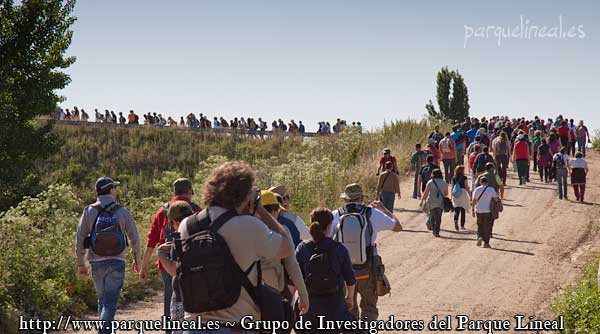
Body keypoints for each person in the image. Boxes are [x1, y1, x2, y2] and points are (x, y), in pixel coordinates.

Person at [178, 161, 294, 334]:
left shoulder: (187, 225)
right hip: (235, 326)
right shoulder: (249, 225)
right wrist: (260, 209)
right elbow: (287, 247)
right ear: (245, 194)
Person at [76, 177, 141, 334]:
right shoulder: (122, 211)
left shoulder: (89, 211)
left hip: (96, 263)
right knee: (110, 303)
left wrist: (80, 263)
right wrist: (136, 259)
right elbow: (134, 237)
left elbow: (80, 237)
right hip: (116, 262)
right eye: (114, 188)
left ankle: (105, 331)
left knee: (103, 301)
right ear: (111, 190)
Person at [330, 183, 402, 321]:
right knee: (369, 307)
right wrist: (384, 209)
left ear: (345, 199)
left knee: (348, 305)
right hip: (367, 269)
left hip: (344, 271)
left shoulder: (335, 215)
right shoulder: (372, 213)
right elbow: (398, 227)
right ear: (361, 198)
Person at [139, 178, 201, 333]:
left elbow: (152, 240)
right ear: (189, 192)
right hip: (190, 262)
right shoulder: (196, 210)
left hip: (166, 263)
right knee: (191, 298)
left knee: (170, 301)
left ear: (174, 192)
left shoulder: (163, 210)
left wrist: (143, 267)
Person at [295, 208, 356, 332]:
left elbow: (295, 277)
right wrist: (349, 298)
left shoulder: (302, 248)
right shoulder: (339, 248)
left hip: (310, 308)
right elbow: (350, 278)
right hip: (336, 306)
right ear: (329, 226)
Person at [258, 190, 309, 315]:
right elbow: (292, 265)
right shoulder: (282, 231)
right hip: (273, 292)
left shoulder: (245, 230)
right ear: (275, 210)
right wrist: (303, 294)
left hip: (248, 296)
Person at [155, 201, 196, 334]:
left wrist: (160, 253)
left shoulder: (179, 240)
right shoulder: (202, 233)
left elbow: (174, 271)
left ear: (176, 222)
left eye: (172, 223)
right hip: (203, 296)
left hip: (181, 296)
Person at [419, 169, 448, 237]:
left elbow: (426, 192)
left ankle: (434, 230)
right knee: (439, 217)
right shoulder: (444, 182)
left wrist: (422, 200)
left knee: (432, 216)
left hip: (431, 201)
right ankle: (437, 231)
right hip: (440, 202)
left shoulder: (430, 182)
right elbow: (446, 193)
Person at [472, 177, 498, 249]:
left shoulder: (477, 189)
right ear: (487, 182)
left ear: (480, 182)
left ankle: (480, 237)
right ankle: (486, 243)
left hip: (479, 210)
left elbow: (474, 200)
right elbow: (496, 198)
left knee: (479, 224)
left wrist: (472, 210)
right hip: (488, 210)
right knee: (487, 226)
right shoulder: (491, 189)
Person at [451, 166, 471, 231]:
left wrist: (452, 195)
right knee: (463, 210)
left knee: (456, 209)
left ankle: (455, 220)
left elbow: (453, 187)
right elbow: (466, 187)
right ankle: (462, 225)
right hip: (463, 193)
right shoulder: (464, 177)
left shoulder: (454, 178)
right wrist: (470, 194)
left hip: (456, 193)